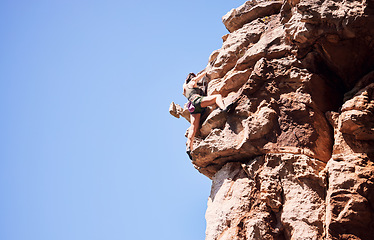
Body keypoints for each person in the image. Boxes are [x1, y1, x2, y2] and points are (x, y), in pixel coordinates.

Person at [183, 71, 227, 160]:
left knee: (193, 128)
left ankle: (189, 147)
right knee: (217, 97)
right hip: (198, 101)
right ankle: (224, 108)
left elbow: (185, 88)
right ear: (191, 78)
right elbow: (195, 79)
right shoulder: (192, 82)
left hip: (192, 106)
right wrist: (206, 71)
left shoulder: (184, 88)